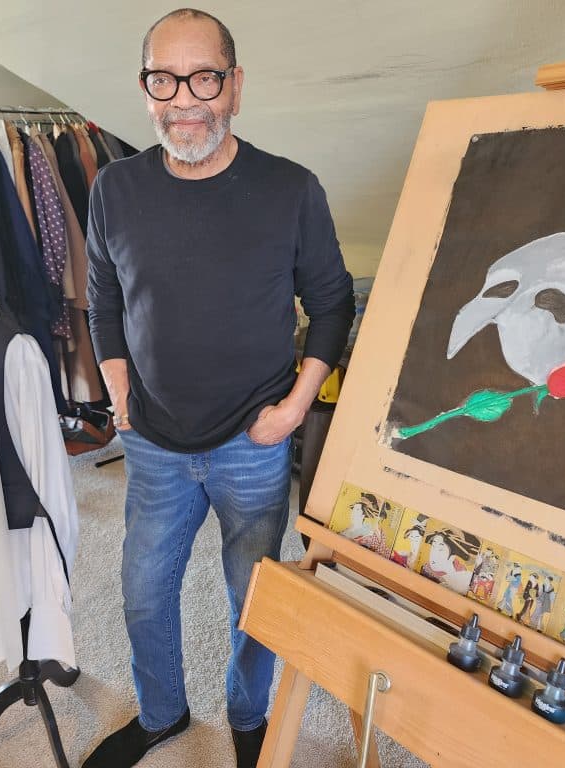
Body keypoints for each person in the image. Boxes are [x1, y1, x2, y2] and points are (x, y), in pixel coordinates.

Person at [83, 8, 355, 768]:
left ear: (235, 86)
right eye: (163, 80)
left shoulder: (289, 189)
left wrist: (293, 411)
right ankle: (162, 715)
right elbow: (104, 297)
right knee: (143, 593)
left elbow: (333, 304)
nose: (184, 100)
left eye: (203, 78)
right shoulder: (114, 188)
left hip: (252, 442)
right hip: (153, 440)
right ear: (145, 89)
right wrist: (118, 389)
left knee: (254, 603)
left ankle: (247, 717)